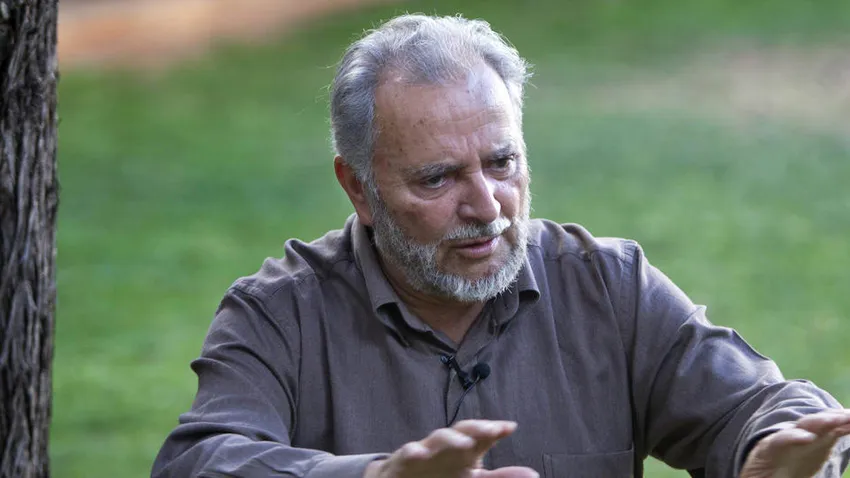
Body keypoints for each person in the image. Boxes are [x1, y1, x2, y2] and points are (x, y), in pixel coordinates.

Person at [151, 14, 850, 478]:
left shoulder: (609, 287)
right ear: (359, 188)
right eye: (438, 177)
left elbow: (763, 407)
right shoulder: (281, 314)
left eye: (501, 163)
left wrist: (773, 451)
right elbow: (197, 463)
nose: (487, 207)